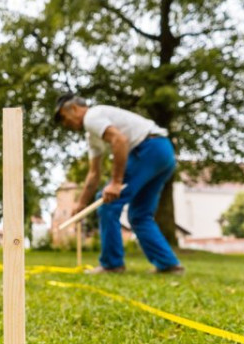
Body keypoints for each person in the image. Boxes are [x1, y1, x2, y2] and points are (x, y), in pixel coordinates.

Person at [54, 93, 184, 275]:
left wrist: (116, 182)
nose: (65, 124)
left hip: (148, 149)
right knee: (139, 215)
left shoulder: (92, 116)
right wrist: (81, 203)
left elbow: (120, 140)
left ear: (73, 108)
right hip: (164, 151)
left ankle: (112, 264)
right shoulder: (92, 136)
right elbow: (93, 174)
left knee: (107, 202)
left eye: (63, 117)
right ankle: (169, 265)